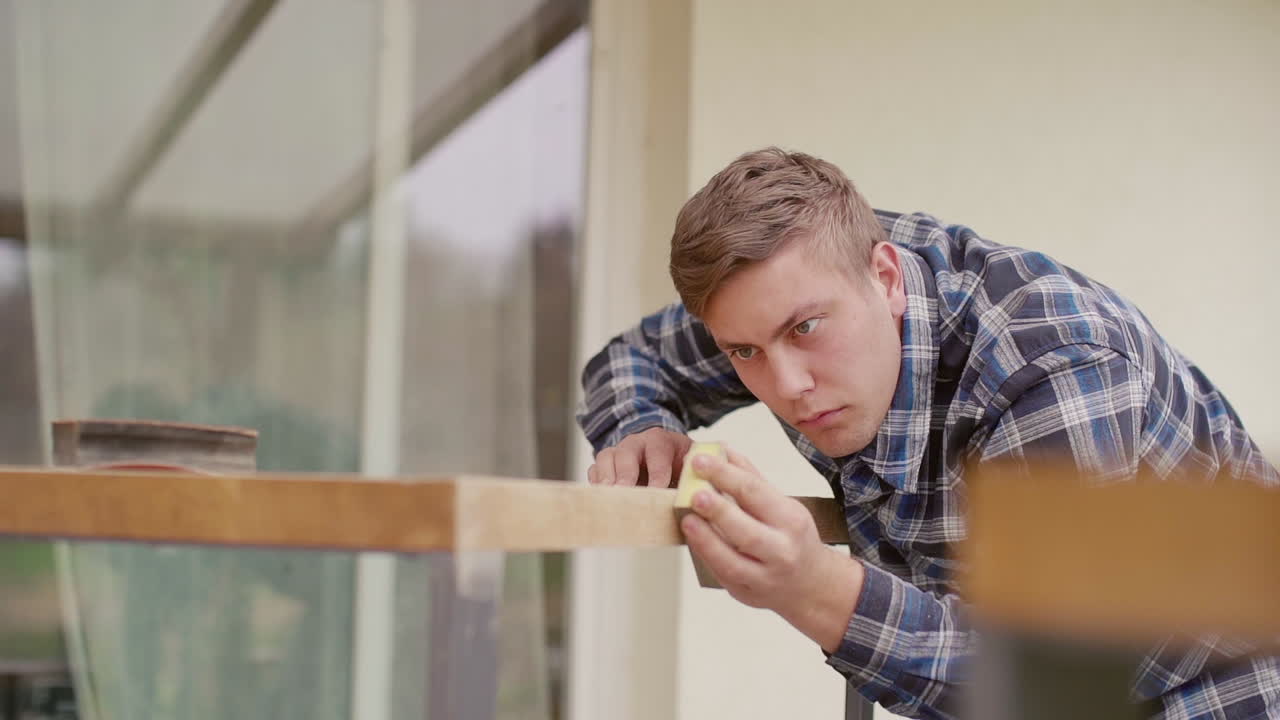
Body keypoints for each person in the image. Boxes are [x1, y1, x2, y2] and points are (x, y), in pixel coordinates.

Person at [576, 147, 1280, 719]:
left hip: (1213, 682)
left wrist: (813, 588)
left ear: (884, 277)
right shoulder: (800, 280)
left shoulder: (1052, 365)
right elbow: (630, 361)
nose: (786, 386)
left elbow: (1043, 684)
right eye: (745, 353)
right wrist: (641, 423)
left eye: (805, 330)